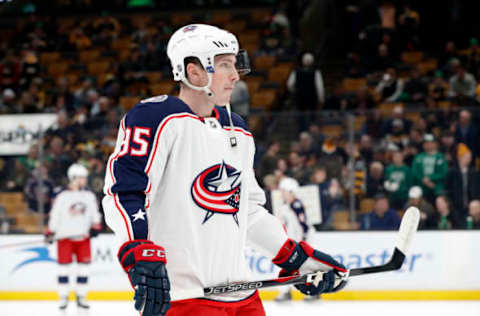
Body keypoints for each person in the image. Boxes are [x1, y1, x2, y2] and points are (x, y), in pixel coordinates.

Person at [102, 24, 348, 316]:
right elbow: (124, 193)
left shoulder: (238, 129)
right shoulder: (155, 118)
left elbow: (248, 211)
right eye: (224, 65)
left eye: (234, 64)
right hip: (184, 299)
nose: (235, 75)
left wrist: (293, 257)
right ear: (194, 72)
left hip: (242, 296)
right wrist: (137, 250)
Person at [45, 163, 102, 310]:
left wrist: (96, 226)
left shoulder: (89, 196)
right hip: (65, 239)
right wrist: (50, 231)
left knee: (84, 270)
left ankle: (81, 297)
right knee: (63, 270)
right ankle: (63, 298)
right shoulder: (62, 196)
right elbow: (55, 215)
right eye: (83, 177)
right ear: (74, 178)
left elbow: (94, 214)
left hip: (83, 238)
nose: (85, 180)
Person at [274, 177, 310, 302]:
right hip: (291, 243)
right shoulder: (286, 206)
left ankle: (312, 292)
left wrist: (303, 242)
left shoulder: (296, 204)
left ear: (290, 191)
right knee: (288, 267)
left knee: (303, 268)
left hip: (299, 242)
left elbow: (304, 225)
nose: (282, 193)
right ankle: (286, 291)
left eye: (284, 191)